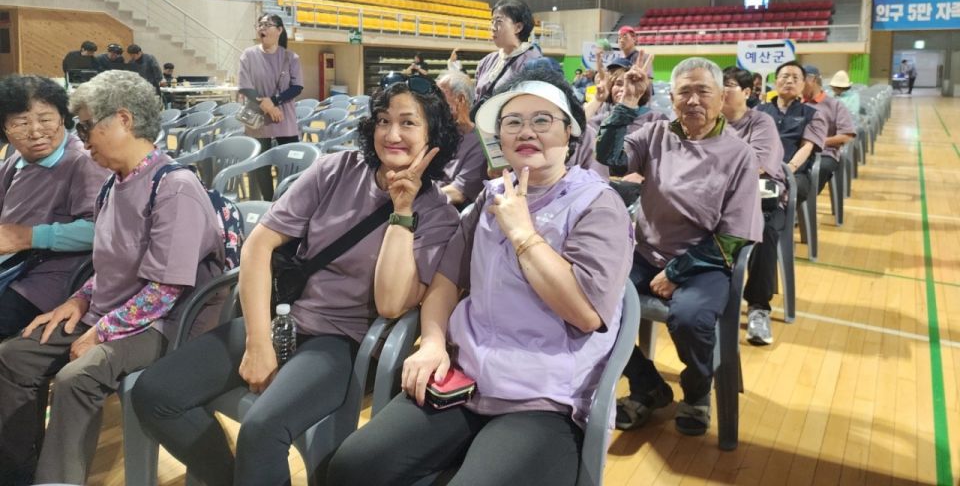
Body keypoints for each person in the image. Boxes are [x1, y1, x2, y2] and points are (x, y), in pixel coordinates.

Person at [132, 75, 462, 486]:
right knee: (155, 394)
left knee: (262, 428)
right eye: (382, 120)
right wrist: (258, 342)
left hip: (340, 343)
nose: (391, 134)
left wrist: (402, 210)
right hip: (283, 319)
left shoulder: (438, 217)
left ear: (434, 135)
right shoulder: (336, 169)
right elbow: (258, 247)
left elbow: (391, 304)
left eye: (408, 123)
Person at [327, 64, 633, 486]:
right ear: (499, 138)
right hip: (466, 380)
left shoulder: (598, 205)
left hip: (544, 398)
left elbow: (583, 312)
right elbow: (446, 279)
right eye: (513, 122)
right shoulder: (493, 197)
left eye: (542, 120)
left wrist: (523, 234)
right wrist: (433, 341)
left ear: (570, 132)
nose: (527, 132)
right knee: (353, 466)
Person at [0, 70, 225, 485]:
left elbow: (165, 291)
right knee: (16, 354)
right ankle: (15, 472)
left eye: (85, 125)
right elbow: (107, 266)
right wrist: (78, 301)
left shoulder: (172, 187)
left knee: (76, 377)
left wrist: (101, 332)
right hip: (111, 311)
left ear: (122, 120)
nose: (80, 138)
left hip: (162, 323)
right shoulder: (113, 184)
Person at [596, 57, 763, 436]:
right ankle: (647, 385)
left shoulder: (739, 154)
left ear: (721, 98)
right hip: (645, 252)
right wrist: (625, 105)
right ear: (671, 98)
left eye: (703, 91)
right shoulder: (657, 133)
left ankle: (697, 393)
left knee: (690, 318)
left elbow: (734, 236)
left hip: (705, 262)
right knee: (589, 301)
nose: (693, 100)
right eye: (684, 91)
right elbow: (611, 159)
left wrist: (676, 272)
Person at [0, 76, 110, 339]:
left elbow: (102, 230)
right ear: (5, 129)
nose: (36, 131)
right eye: (21, 123)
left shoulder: (83, 161)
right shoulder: (16, 160)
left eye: (46, 119)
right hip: (11, 268)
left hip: (48, 280)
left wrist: (30, 236)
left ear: (63, 117)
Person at [722, 67, 786, 346]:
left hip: (760, 198)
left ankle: (759, 308)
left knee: (765, 230)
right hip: (719, 196)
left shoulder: (761, 123)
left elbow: (757, 167)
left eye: (729, 85)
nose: (721, 90)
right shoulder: (706, 121)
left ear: (747, 93)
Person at [238, 14, 303, 199]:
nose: (262, 28)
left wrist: (274, 102)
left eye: (267, 24)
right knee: (260, 167)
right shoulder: (248, 55)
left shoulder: (291, 57)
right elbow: (244, 86)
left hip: (284, 119)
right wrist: (267, 106)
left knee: (290, 164)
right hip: (257, 120)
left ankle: (288, 202)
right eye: (259, 25)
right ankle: (268, 204)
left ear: (280, 30)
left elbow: (297, 87)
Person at [755, 61, 828, 206]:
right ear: (776, 82)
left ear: (802, 84)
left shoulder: (812, 115)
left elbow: (806, 147)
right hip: (759, 169)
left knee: (774, 197)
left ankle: (776, 226)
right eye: (785, 76)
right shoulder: (758, 111)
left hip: (793, 172)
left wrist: (787, 170)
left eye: (795, 78)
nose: (789, 81)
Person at [473, 0, 541, 108]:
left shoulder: (534, 63)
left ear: (518, 27)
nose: (493, 28)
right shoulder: (486, 61)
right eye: (492, 21)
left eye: (499, 21)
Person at [435, 70, 487, 207]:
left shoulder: (480, 142)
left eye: (439, 98)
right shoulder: (435, 131)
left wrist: (416, 199)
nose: (433, 104)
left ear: (461, 100)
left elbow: (458, 192)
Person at [802, 66, 856, 193]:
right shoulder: (797, 103)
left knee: (820, 168)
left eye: (800, 79)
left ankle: (805, 203)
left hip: (824, 153)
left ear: (812, 80)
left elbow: (847, 135)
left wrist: (817, 142)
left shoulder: (835, 105)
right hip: (796, 151)